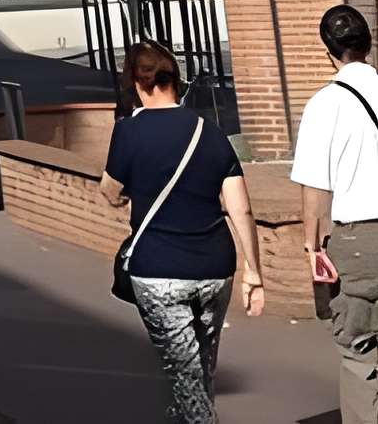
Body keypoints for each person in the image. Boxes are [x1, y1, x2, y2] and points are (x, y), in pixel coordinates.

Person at [100, 39, 264, 423]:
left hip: (159, 271)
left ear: (136, 84)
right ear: (176, 80)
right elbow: (240, 208)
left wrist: (129, 193)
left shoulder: (128, 132)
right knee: (201, 368)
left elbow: (110, 190)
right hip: (215, 267)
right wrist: (253, 272)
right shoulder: (211, 133)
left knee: (185, 375)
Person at [292, 2, 378, 422]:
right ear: (369, 44)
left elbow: (314, 188)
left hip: (358, 240)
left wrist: (312, 248)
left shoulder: (324, 105)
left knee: (360, 351)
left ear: (329, 52)